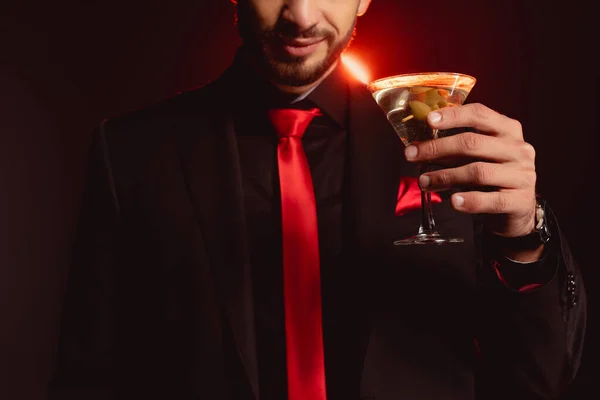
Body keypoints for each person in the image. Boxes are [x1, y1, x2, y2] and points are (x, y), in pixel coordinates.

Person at [49, 1, 587, 399]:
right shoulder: (131, 154)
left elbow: (541, 379)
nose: (301, 16)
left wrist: (524, 234)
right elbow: (86, 380)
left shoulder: (451, 148)